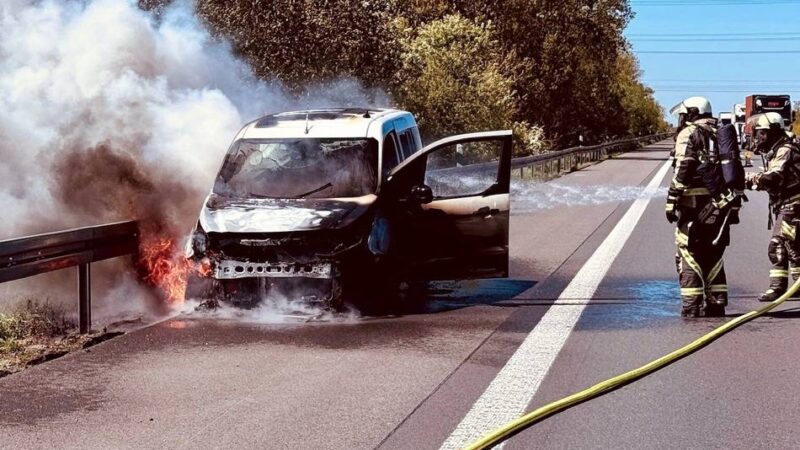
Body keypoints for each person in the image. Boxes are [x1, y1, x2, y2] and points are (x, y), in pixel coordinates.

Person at [666, 96, 735, 317]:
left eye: (684, 114)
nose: (682, 119)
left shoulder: (689, 133)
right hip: (720, 205)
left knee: (688, 252)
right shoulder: (721, 133)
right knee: (713, 252)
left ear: (693, 112)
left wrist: (672, 198)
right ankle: (717, 302)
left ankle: (691, 305)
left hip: (693, 207)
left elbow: (684, 166)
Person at [745, 112, 800, 302]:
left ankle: (777, 288)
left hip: (793, 204)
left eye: (762, 133)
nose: (759, 137)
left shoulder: (784, 150)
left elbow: (774, 177)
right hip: (789, 204)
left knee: (777, 245)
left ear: (774, 132)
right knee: (793, 245)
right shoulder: (780, 149)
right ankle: (797, 285)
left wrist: (754, 179)